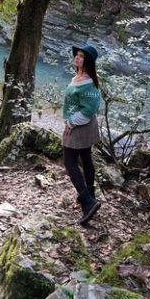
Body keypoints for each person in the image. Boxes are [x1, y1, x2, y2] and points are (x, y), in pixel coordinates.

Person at [62, 44, 101, 225]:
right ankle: (91, 195)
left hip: (80, 125)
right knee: (85, 159)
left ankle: (87, 202)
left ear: (88, 62)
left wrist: (70, 122)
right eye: (77, 55)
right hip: (82, 125)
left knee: (69, 162)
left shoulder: (88, 82)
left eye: (81, 56)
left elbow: (90, 109)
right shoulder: (79, 77)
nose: (77, 58)